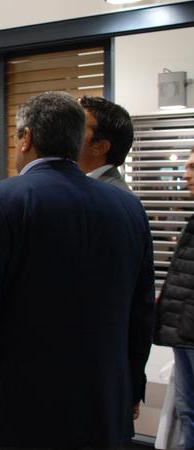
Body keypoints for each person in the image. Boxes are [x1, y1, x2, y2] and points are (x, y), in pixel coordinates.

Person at [0, 91, 154, 449]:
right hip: (101, 400)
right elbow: (140, 312)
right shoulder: (128, 207)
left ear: (26, 138)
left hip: (14, 404)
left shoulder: (1, 200)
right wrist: (130, 387)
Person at [154, 147, 194, 450]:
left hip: (188, 332)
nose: (186, 174)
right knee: (187, 412)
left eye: (193, 167)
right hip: (183, 333)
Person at [77, 96, 134, 191]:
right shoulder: (88, 186)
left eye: (77, 127)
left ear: (100, 147)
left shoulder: (109, 194)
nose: (67, 132)